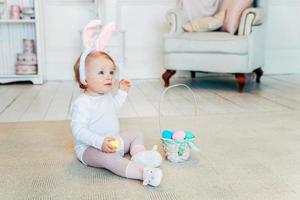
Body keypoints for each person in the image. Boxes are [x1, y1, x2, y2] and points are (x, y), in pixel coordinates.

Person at [70, 21, 163, 187]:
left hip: (114, 141)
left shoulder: (105, 95)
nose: (109, 77)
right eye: (101, 72)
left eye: (111, 72)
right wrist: (100, 142)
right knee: (109, 159)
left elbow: (112, 110)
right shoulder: (82, 103)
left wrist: (122, 93)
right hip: (90, 149)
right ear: (85, 78)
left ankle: (139, 156)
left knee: (136, 134)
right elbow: (79, 131)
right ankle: (142, 173)